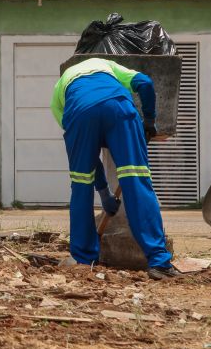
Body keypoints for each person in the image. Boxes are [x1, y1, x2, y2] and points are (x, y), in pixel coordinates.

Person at [51, 58, 177, 279]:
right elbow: (145, 83)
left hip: (79, 113)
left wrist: (103, 193)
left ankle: (84, 261)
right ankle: (159, 262)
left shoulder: (58, 94)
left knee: (81, 184)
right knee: (136, 180)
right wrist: (149, 120)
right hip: (118, 108)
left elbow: (89, 158)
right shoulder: (107, 66)